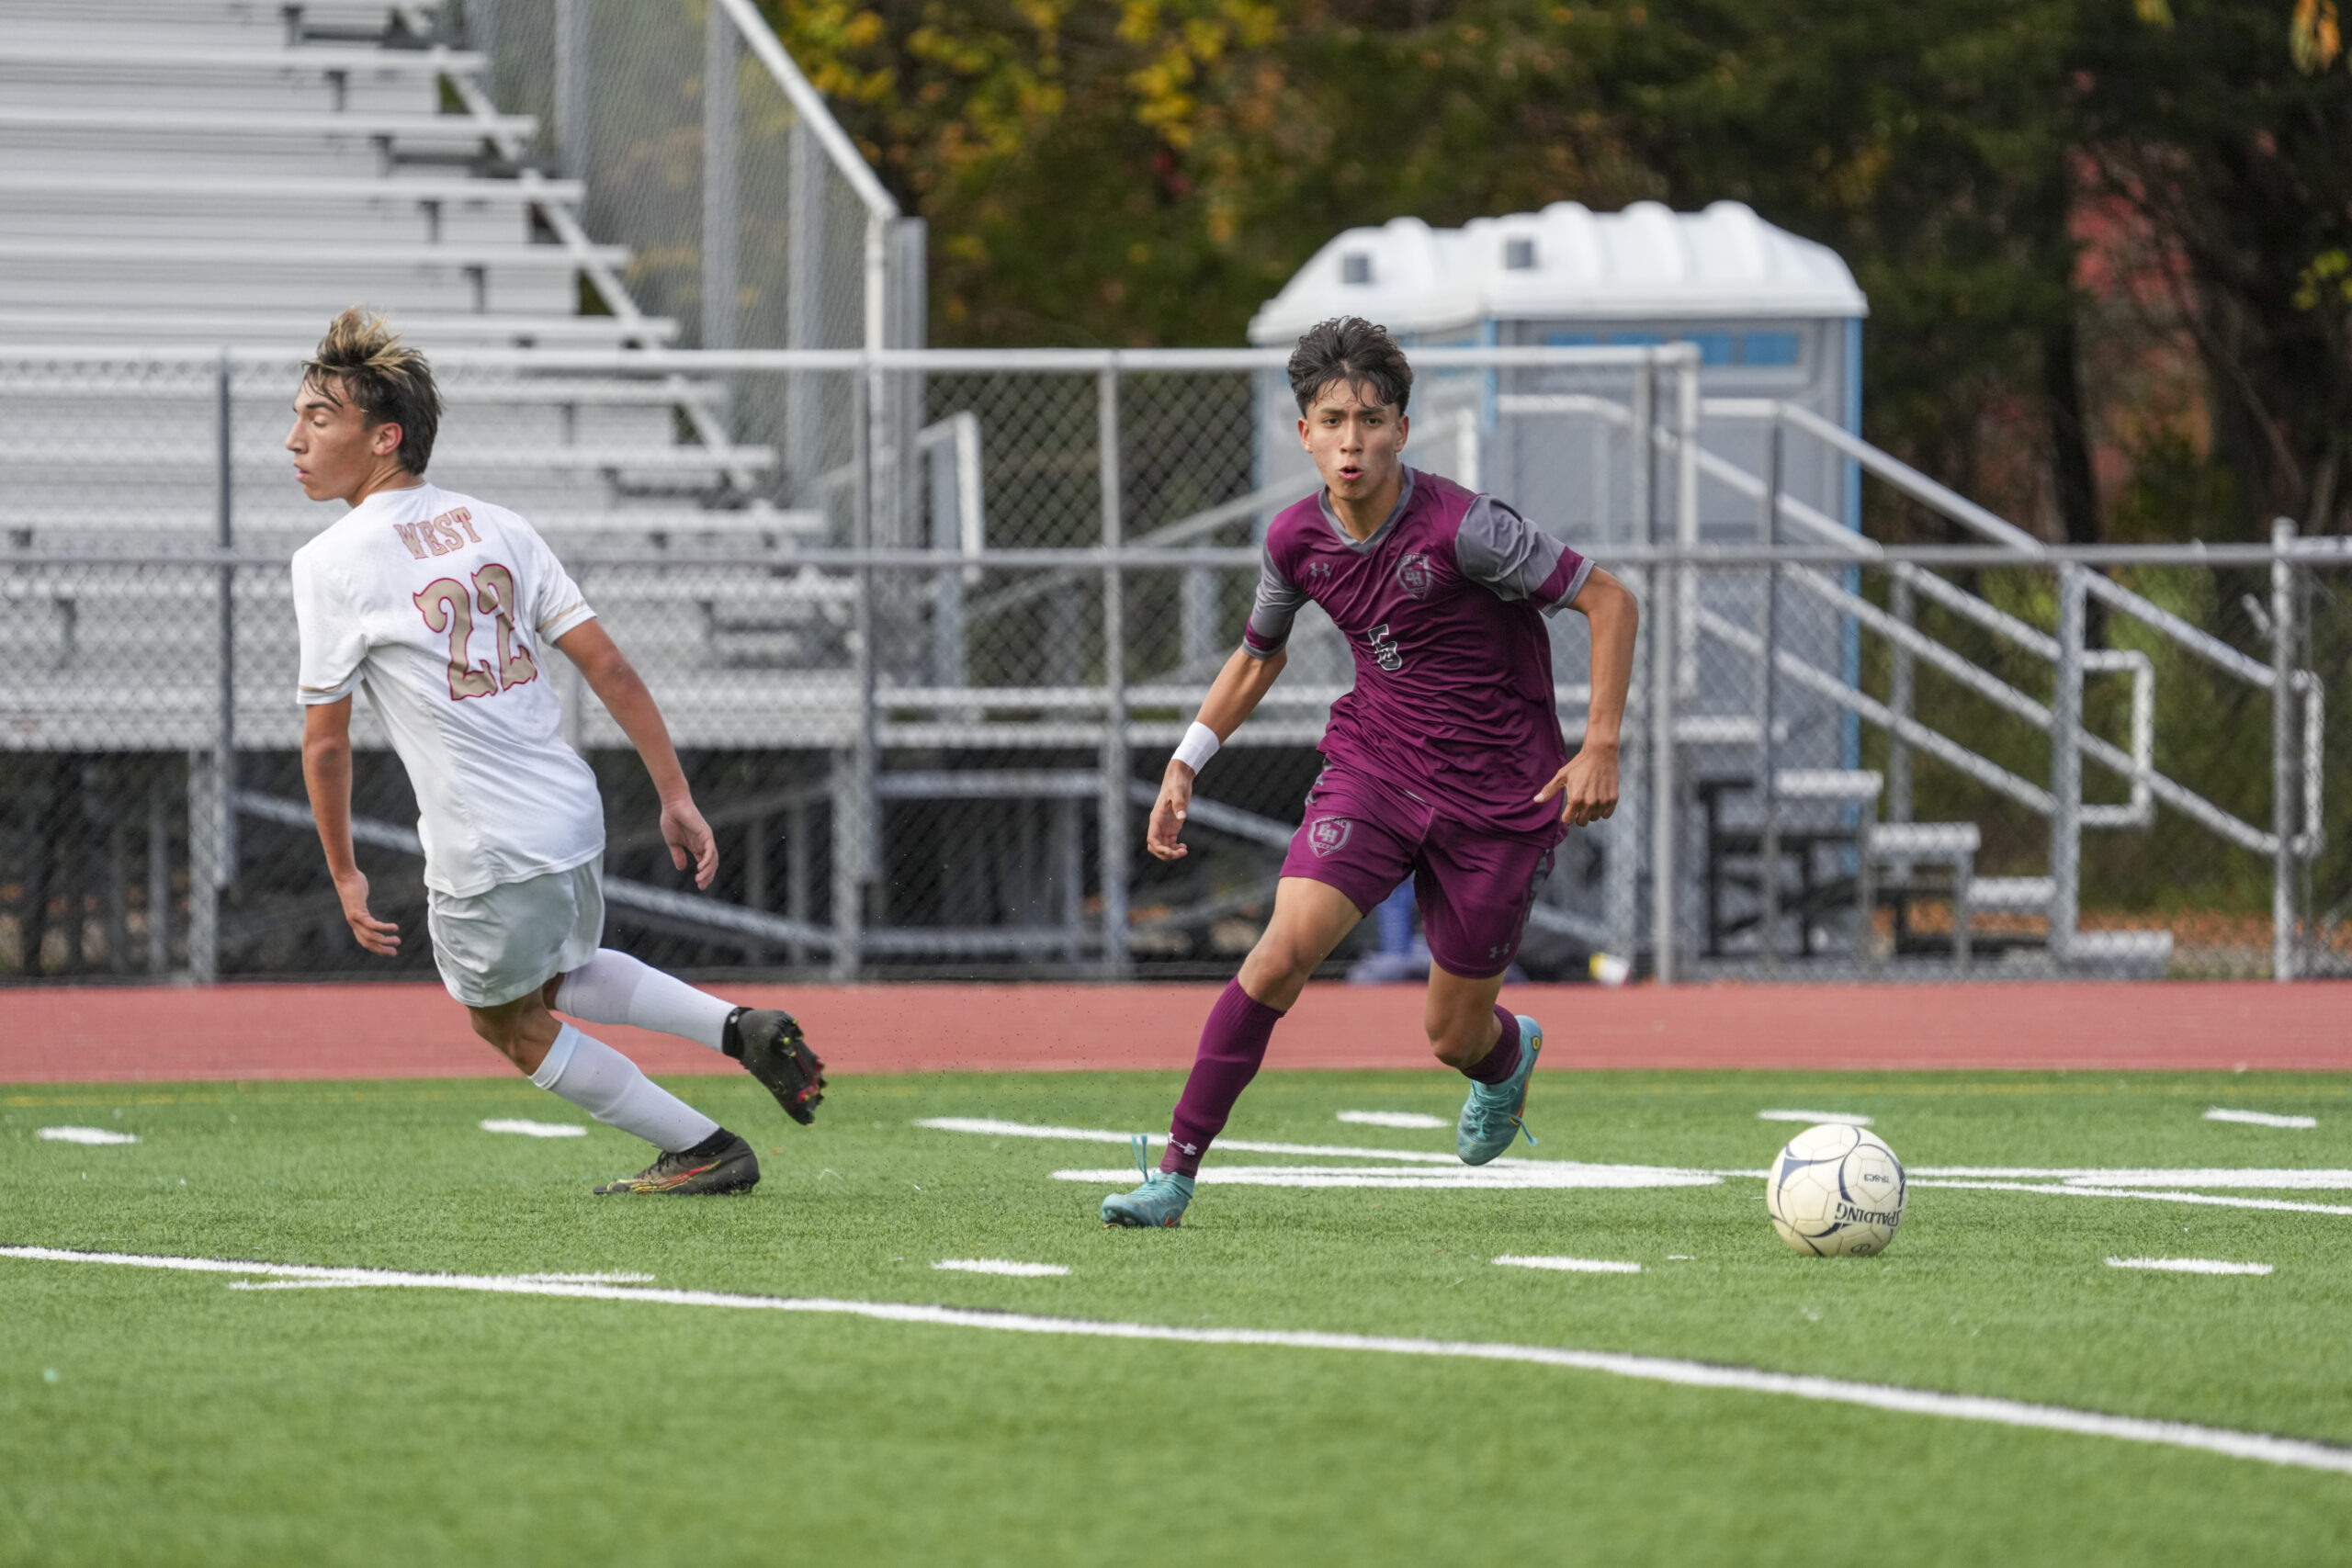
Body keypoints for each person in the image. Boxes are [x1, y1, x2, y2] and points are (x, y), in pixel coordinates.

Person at [1102, 316, 1638, 1228]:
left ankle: (1503, 1061)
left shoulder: (1468, 530)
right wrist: (1185, 762)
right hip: (1375, 770)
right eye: (1332, 419)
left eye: (1371, 418)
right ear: (1303, 432)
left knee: (1451, 1035)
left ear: (1400, 429)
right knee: (1277, 955)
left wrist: (1599, 744)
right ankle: (1175, 1175)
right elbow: (1257, 654)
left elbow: (1609, 598)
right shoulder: (1294, 541)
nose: (1352, 439)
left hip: (1500, 798)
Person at [287, 308, 825, 1196]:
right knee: (560, 972)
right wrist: (676, 793)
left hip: (486, 844)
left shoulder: (331, 559)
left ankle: (704, 1146)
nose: (293, 439)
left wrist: (343, 870)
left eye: (317, 417)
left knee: (502, 1021)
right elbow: (608, 665)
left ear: (384, 438)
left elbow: (327, 744)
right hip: (572, 816)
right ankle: (739, 1028)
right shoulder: (497, 523)